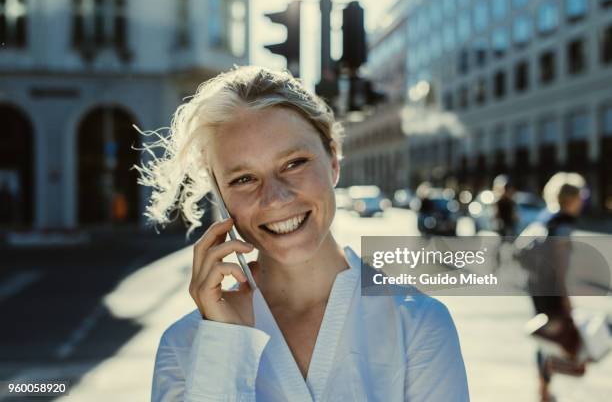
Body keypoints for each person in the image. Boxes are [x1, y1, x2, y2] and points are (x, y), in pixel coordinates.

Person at [140, 66, 469, 401]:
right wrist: (224, 346)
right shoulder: (184, 346)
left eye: (294, 163)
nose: (275, 197)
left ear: (334, 161)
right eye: (243, 179)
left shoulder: (417, 324)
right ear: (221, 197)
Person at [529, 172, 588, 402]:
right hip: (551, 291)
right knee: (557, 339)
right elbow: (561, 263)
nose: (583, 201)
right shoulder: (563, 224)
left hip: (537, 287)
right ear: (571, 198)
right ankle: (544, 390)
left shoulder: (546, 217)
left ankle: (543, 388)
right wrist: (565, 296)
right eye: (581, 196)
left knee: (548, 339)